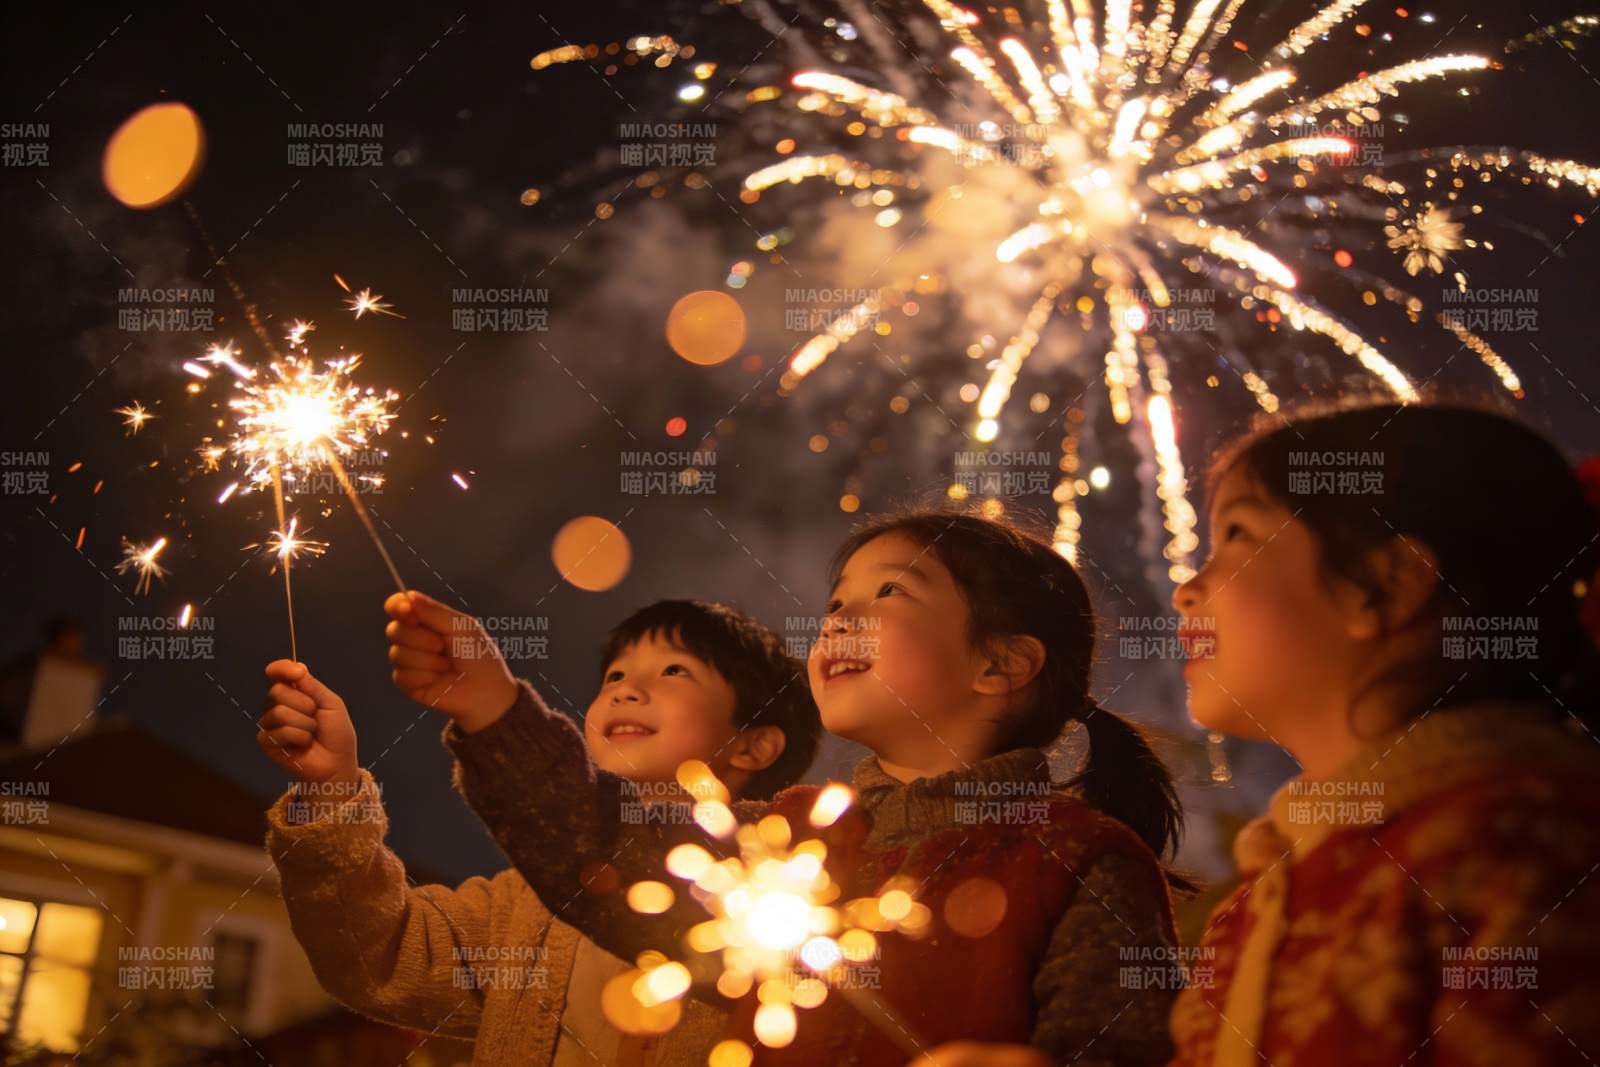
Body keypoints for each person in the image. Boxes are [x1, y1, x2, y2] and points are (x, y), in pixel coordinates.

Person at [387, 508, 1186, 1065]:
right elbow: (601, 852)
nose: (838, 620)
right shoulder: (782, 839)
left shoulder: (1082, 858)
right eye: (836, 602)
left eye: (888, 594)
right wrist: (494, 708)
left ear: (1000, 664)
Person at [256, 599, 821, 1067]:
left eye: (675, 671)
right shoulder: (522, 907)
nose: (626, 690)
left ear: (754, 743)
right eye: (615, 675)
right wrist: (330, 790)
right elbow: (380, 954)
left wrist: (494, 708)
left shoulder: (785, 888)